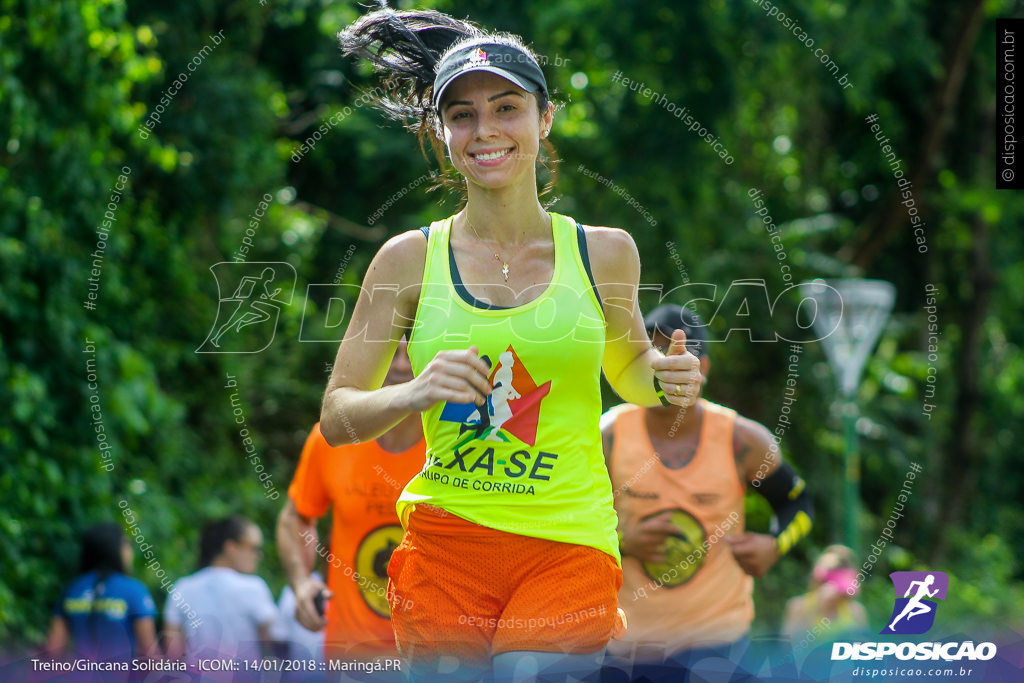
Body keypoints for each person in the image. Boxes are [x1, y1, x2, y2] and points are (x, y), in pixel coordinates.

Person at [320, 7, 703, 682]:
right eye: (462, 115)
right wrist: (415, 390)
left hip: (566, 540)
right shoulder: (408, 260)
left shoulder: (604, 253)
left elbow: (631, 369)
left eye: (506, 107)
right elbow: (336, 416)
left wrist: (668, 380)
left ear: (544, 118)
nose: (485, 130)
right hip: (447, 541)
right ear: (439, 134)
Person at [601, 305, 814, 682]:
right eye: (653, 354)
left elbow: (798, 503)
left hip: (719, 646)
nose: (665, 366)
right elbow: (564, 524)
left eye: (677, 355)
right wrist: (622, 543)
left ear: (703, 368)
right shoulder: (609, 434)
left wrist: (775, 545)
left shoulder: (741, 441)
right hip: (626, 647)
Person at [277, 338, 424, 669]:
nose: (401, 366)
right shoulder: (333, 438)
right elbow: (295, 517)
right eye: (390, 354)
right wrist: (301, 583)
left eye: (412, 354)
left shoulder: (456, 445)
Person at [165, 515, 277, 663]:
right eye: (254, 548)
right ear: (230, 547)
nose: (258, 555)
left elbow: (173, 654)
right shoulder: (254, 588)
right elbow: (274, 644)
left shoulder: (182, 588)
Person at [45, 522, 159, 662]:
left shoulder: (71, 589)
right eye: (126, 545)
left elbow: (53, 650)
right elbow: (150, 652)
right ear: (115, 550)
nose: (130, 552)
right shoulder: (134, 590)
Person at [782, 545, 868, 643]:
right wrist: (817, 608)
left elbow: (864, 652)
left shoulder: (856, 611)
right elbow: (786, 649)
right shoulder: (797, 606)